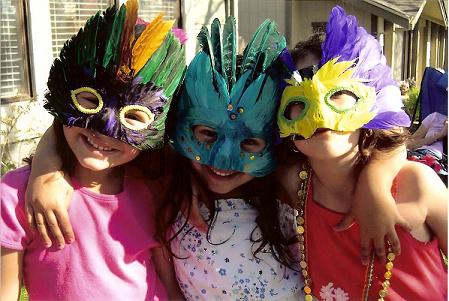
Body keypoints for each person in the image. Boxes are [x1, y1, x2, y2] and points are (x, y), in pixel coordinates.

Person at [25, 14, 411, 301]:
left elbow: (383, 144)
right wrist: (47, 169)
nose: (223, 159)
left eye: (250, 145)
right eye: (206, 134)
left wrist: (375, 186)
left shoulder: (288, 180)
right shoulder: (167, 177)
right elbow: (97, 129)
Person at [0, 1, 186, 300]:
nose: (103, 127)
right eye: (89, 100)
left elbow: (166, 279)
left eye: (134, 116)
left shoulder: (152, 188)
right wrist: (45, 169)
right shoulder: (15, 194)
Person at [277, 6, 447, 300]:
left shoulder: (417, 184)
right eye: (300, 98)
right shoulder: (294, 183)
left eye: (338, 93)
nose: (319, 112)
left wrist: (375, 183)